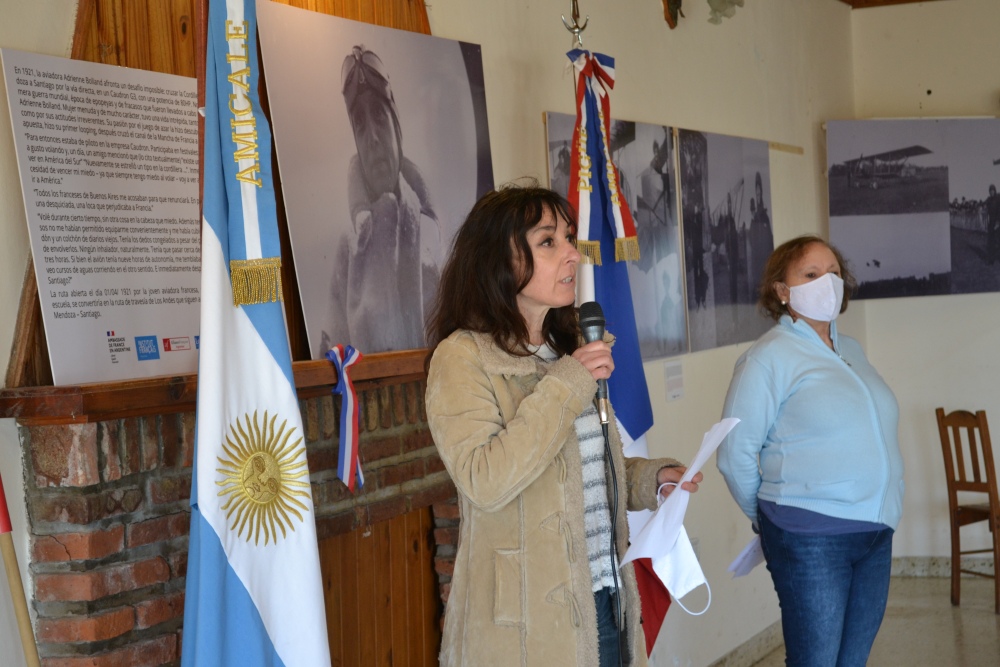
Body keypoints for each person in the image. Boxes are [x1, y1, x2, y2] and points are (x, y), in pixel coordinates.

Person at [425, 184, 702, 667]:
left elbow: (584, 467)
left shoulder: (568, 345)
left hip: (606, 598)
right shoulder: (463, 358)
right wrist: (569, 380)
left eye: (569, 238)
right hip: (526, 624)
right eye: (549, 241)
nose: (573, 254)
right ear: (498, 259)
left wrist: (651, 480)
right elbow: (485, 481)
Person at [717, 235, 904, 667]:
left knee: (851, 661)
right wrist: (768, 517)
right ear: (782, 291)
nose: (828, 283)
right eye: (811, 274)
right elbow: (733, 454)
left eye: (835, 273)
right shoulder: (768, 357)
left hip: (874, 530)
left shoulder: (851, 349)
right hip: (810, 535)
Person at [321, 45, 441, 356]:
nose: (372, 137)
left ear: (396, 125)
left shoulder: (435, 234)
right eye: (359, 125)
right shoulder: (346, 250)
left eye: (379, 115)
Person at [985, 184, 1000, 265]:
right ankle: (991, 260)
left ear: (995, 191)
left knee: (997, 241)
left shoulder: (998, 199)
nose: (991, 192)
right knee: (990, 242)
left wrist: (998, 223)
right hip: (991, 223)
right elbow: (986, 211)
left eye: (993, 190)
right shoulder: (988, 200)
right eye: (990, 191)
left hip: (997, 223)